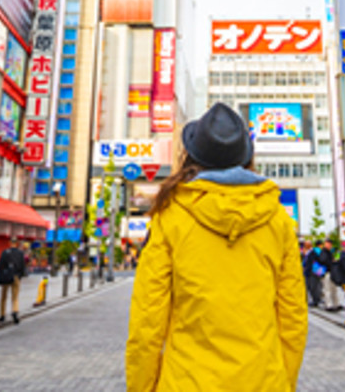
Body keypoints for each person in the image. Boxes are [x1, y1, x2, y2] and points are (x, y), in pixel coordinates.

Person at [126, 103, 307, 391]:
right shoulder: (278, 220)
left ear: (192, 158)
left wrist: (141, 387)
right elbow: (293, 318)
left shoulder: (171, 217)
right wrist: (283, 382)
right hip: (264, 381)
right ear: (246, 157)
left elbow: (147, 322)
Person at [0, 237, 26, 324]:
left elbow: (0, 265)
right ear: (16, 243)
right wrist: (20, 275)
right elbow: (22, 266)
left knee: (3, 296)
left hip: (6, 276)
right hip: (16, 276)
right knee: (15, 296)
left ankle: (2, 315)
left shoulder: (5, 252)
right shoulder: (20, 253)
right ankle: (15, 311)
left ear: (9, 243)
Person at [304, 240, 325, 307]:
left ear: (310, 245)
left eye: (306, 244)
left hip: (313, 272)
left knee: (314, 287)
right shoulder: (308, 252)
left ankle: (316, 301)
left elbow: (316, 260)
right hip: (308, 272)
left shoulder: (314, 252)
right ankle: (314, 299)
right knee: (309, 286)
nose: (305, 246)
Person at [321, 239, 340, 311]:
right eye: (328, 244)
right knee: (328, 289)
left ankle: (336, 304)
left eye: (330, 244)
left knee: (333, 289)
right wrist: (331, 262)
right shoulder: (324, 252)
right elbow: (322, 261)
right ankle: (328, 305)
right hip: (327, 272)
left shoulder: (328, 252)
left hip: (331, 273)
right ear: (325, 244)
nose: (329, 245)